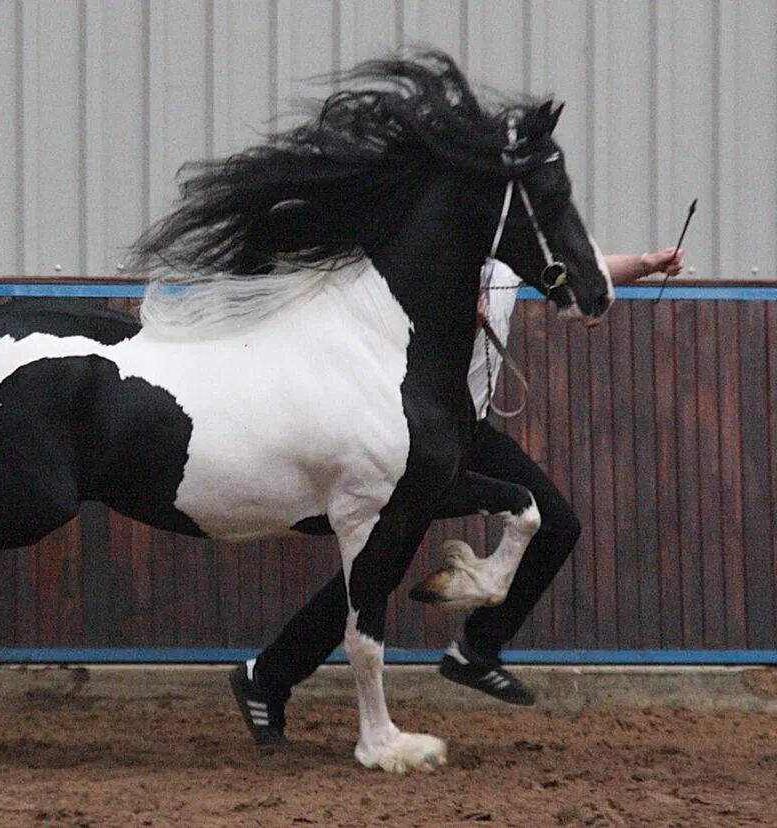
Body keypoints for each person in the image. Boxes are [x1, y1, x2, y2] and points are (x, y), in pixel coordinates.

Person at [231, 247, 685, 744]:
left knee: (554, 526)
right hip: (414, 437)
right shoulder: (433, 257)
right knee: (372, 578)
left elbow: (578, 270)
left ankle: (475, 649)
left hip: (467, 434)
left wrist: (647, 264)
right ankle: (269, 678)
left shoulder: (513, 260)